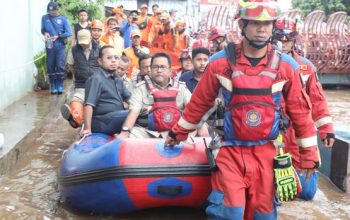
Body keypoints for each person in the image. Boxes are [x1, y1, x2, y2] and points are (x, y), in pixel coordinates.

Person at [165, 1, 320, 219]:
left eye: (267, 24)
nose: (262, 29)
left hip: (266, 152)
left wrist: (309, 155)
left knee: (264, 214)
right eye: (255, 23)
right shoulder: (219, 63)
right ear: (243, 25)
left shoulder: (286, 66)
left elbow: (300, 111)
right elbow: (199, 103)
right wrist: (176, 133)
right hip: (229, 151)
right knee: (231, 212)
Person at [273, 16, 335, 200]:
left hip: (298, 129)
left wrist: (326, 129)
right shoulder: (264, 64)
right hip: (271, 129)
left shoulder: (306, 67)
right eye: (280, 39)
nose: (283, 43)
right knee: (271, 188)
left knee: (306, 193)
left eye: (288, 40)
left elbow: (318, 100)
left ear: (293, 40)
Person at [118, 52, 207, 139]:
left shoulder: (181, 88)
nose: (159, 70)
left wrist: (202, 128)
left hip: (176, 132)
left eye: (163, 67)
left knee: (200, 132)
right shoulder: (141, 88)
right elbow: (133, 112)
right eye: (155, 67)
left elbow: (193, 109)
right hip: (148, 132)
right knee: (132, 135)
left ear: (170, 70)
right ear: (151, 70)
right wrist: (125, 132)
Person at [81, 45, 131, 136]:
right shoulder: (96, 79)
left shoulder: (117, 78)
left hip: (116, 118)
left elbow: (129, 99)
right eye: (109, 58)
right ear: (100, 61)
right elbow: (89, 105)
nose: (113, 60)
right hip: (103, 121)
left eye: (116, 58)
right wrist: (87, 129)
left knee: (139, 112)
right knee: (133, 114)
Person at [62, 29, 100, 128]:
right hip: (81, 84)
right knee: (76, 100)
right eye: (81, 42)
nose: (84, 45)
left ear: (90, 38)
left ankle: (83, 121)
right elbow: (70, 64)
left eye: (86, 42)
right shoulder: (74, 50)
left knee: (93, 103)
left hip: (96, 84)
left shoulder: (99, 48)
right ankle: (75, 119)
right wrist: (76, 74)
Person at [41, 1, 71, 94]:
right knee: (50, 66)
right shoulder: (44, 18)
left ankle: (60, 84)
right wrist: (45, 33)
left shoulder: (63, 19)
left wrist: (58, 36)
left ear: (57, 9)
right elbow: (43, 29)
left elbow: (68, 32)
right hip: (49, 46)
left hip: (60, 46)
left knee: (60, 65)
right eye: (50, 11)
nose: (51, 13)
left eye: (53, 11)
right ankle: (53, 85)